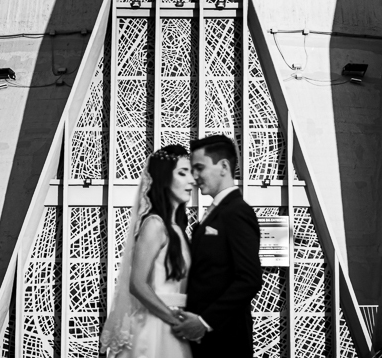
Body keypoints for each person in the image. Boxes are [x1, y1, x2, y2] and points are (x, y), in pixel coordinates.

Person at [100, 145, 196, 358]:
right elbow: (137, 283)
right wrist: (173, 320)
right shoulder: (154, 224)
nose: (191, 181)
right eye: (182, 173)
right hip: (157, 325)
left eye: (191, 173)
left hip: (177, 322)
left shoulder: (179, 228)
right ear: (164, 177)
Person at [172, 135, 263, 358]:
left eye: (199, 168)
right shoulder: (215, 212)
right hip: (204, 343)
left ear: (224, 166)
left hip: (225, 343)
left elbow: (249, 278)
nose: (194, 176)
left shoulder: (237, 212)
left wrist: (204, 322)